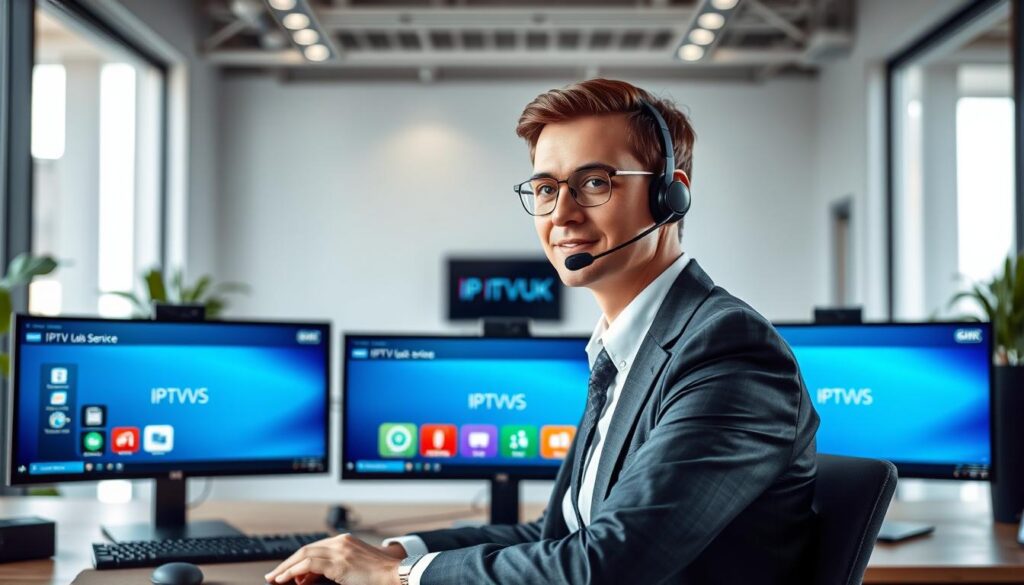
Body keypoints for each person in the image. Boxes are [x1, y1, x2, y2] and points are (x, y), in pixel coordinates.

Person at [265, 78, 820, 585]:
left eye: (594, 183)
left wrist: (397, 577)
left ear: (669, 196)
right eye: (547, 189)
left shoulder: (727, 350)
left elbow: (605, 566)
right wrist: (394, 552)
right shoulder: (626, 351)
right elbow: (558, 537)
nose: (561, 214)